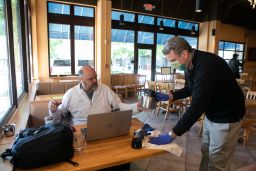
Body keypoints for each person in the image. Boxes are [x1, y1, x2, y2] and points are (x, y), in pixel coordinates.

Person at [149, 36, 245, 171]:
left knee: (217, 162)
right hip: (212, 114)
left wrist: (173, 134)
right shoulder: (189, 64)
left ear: (184, 53)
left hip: (227, 117)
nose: (173, 65)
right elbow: (190, 88)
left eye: (173, 60)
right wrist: (171, 95)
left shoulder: (206, 65)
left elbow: (197, 107)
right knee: (206, 153)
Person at [48, 66, 143, 125]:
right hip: (81, 128)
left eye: (95, 77)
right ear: (81, 80)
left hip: (105, 126)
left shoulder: (105, 89)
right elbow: (59, 116)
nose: (95, 81)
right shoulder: (71, 94)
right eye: (91, 79)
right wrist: (53, 110)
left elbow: (119, 106)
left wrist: (136, 107)